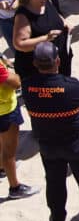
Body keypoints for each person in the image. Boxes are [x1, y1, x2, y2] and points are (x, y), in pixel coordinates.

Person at [23, 42, 79, 221]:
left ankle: (58, 220)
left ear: (35, 63)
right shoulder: (71, 87)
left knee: (54, 184)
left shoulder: (28, 86)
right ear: (58, 61)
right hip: (75, 144)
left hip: (47, 145)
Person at [13, 0, 71, 82]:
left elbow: (55, 14)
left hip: (59, 57)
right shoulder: (23, 16)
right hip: (40, 66)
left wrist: (64, 23)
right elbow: (19, 44)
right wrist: (46, 38)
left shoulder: (45, 2)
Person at [0, 56, 38, 200]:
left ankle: (1, 168)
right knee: (9, 152)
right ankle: (15, 188)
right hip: (5, 110)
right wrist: (9, 69)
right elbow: (16, 83)